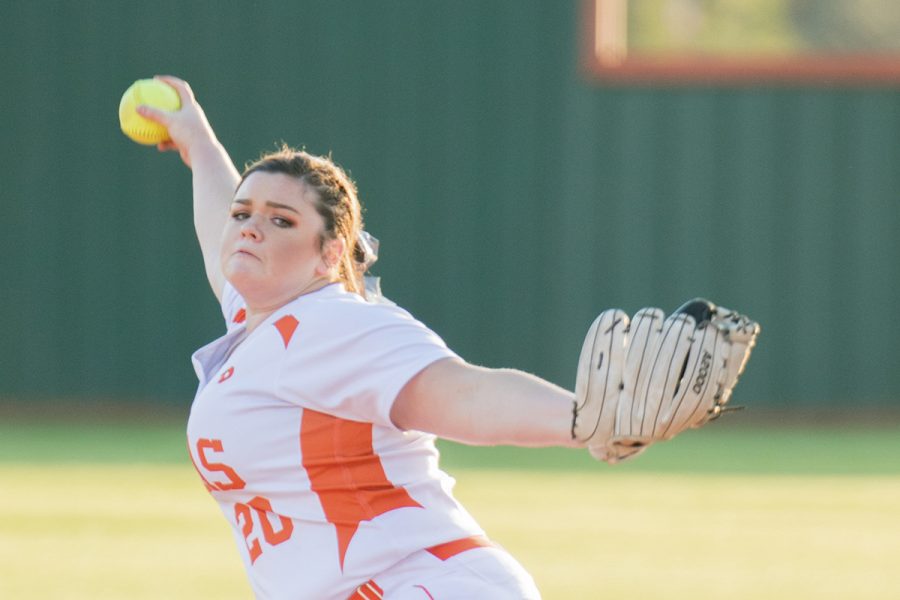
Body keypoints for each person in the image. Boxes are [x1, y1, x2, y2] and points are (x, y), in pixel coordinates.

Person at [138, 76, 758, 599]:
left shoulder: (332, 324)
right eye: (244, 215)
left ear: (329, 254)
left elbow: (459, 393)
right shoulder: (256, 322)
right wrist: (197, 139)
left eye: (281, 220)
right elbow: (219, 220)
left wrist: (583, 420)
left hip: (423, 585)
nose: (248, 228)